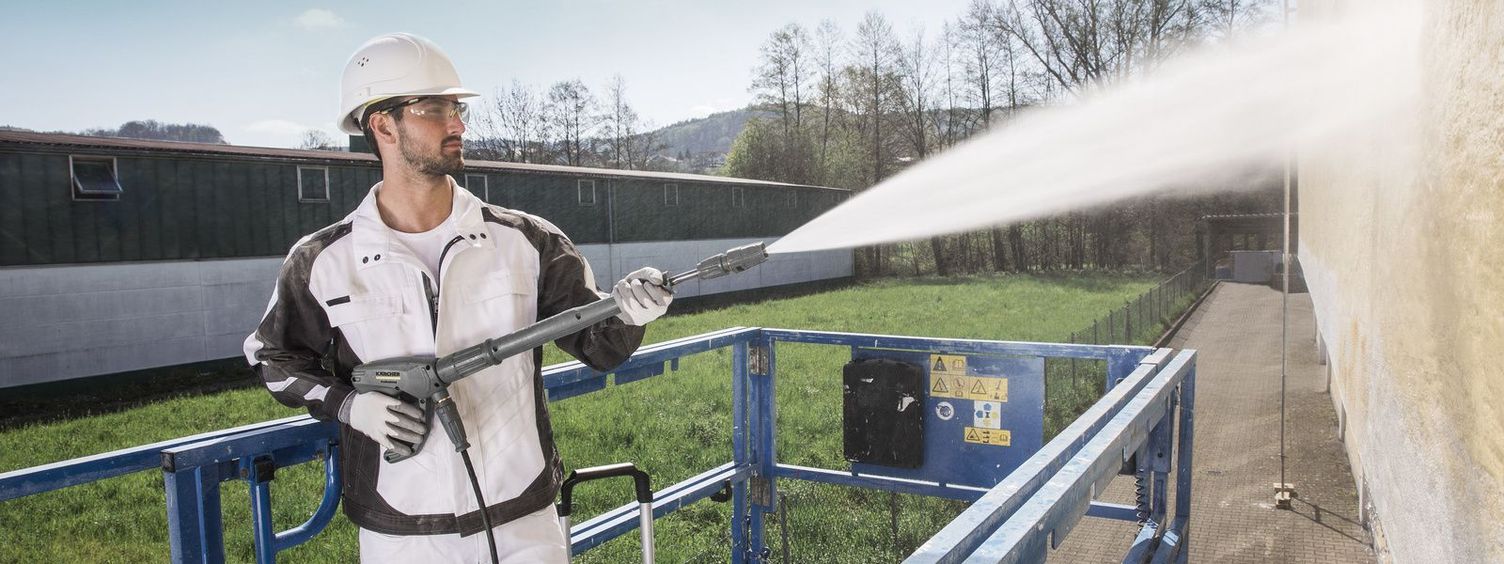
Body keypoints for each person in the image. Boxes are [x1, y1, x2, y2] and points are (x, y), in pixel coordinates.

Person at [243, 32, 671, 563]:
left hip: (525, 525)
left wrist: (632, 313)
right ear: (382, 125)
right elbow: (272, 357)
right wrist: (350, 406)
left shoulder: (528, 240)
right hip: (401, 536)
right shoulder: (323, 261)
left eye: (456, 108)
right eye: (435, 109)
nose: (458, 124)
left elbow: (600, 346)